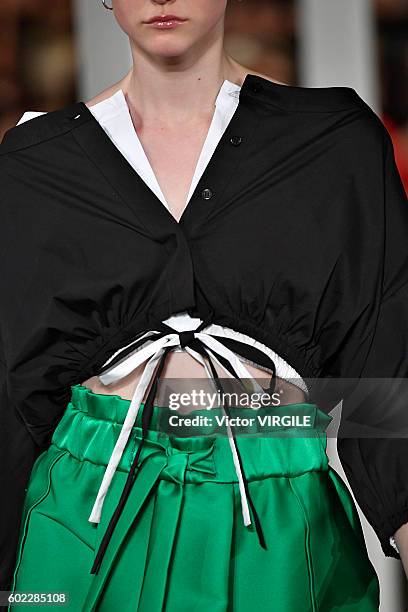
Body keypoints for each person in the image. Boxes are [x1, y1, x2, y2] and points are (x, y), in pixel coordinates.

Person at [1, 0, 407, 610]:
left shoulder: (333, 140)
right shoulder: (33, 163)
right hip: (82, 513)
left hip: (278, 510)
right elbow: (11, 393)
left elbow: (390, 361)